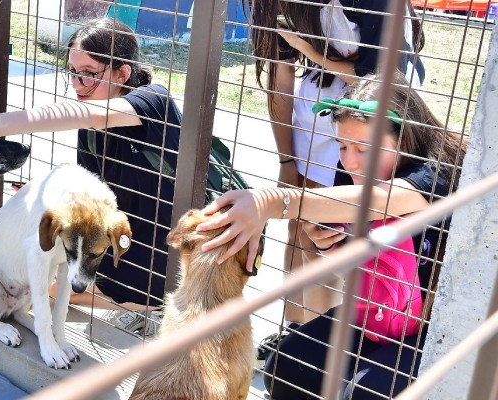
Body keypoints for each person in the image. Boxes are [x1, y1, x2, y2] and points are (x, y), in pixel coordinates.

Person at [197, 72, 466, 399]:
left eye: (364, 149)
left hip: (429, 330)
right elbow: (355, 269)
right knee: (287, 366)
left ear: (404, 141)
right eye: (342, 145)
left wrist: (275, 202)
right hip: (373, 314)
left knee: (364, 393)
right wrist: (331, 246)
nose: (350, 161)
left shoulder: (432, 174)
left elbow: (382, 200)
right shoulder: (353, 171)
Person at [0, 18, 181, 336]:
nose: (79, 85)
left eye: (90, 75)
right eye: (73, 72)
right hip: (126, 237)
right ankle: (143, 303)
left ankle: (155, 305)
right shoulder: (93, 130)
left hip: (176, 245)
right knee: (51, 271)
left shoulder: (153, 102)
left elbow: (83, 114)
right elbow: (95, 198)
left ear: (122, 73)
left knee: (56, 276)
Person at [247, 0, 427, 354]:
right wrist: (287, 159)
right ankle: (297, 330)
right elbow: (278, 79)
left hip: (367, 133)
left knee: (348, 242)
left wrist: (308, 50)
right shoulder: (276, 6)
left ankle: (337, 333)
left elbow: (384, 83)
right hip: (315, 133)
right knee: (303, 231)